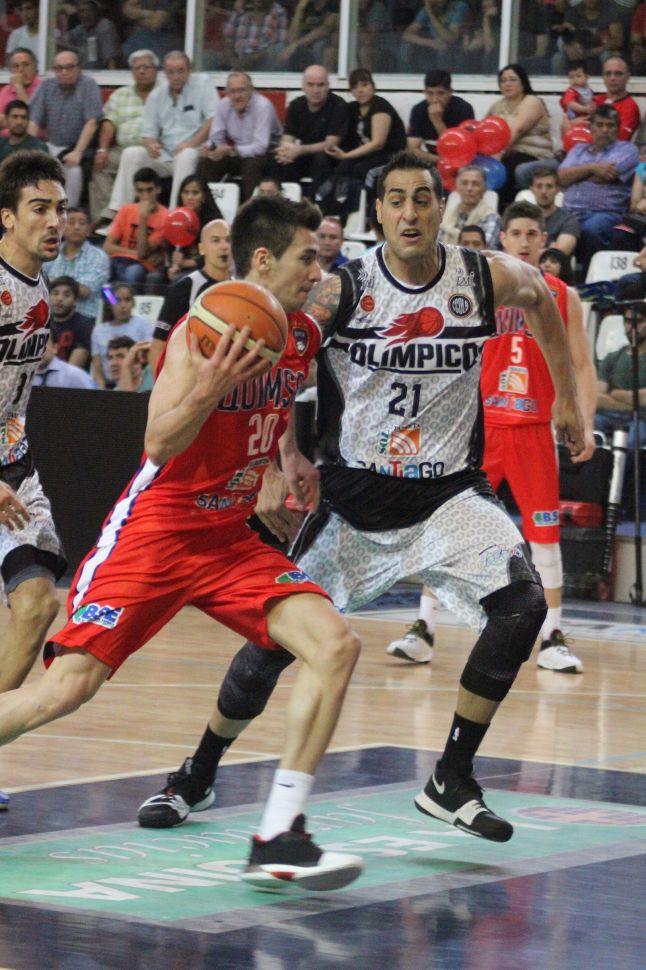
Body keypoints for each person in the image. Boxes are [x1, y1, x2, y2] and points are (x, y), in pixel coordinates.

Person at [137, 152, 585, 844]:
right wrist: (282, 456)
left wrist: (564, 400)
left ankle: (452, 777)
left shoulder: (481, 276)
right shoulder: (341, 291)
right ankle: (196, 771)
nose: (410, 213)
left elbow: (542, 298)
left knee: (524, 606)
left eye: (422, 199)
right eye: (396, 200)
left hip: (448, 498)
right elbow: (282, 360)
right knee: (270, 645)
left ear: (441, 208)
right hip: (353, 500)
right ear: (377, 213)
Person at [1, 194, 364, 893]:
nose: (317, 272)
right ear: (264, 260)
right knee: (64, 691)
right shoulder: (205, 331)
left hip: (229, 540)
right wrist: (211, 387)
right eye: (306, 259)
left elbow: (282, 395)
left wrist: (281, 459)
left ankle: (279, 835)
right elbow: (160, 442)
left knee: (335, 645)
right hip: (157, 533)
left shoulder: (296, 332)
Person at [387, 199, 597, 671]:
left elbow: (582, 365)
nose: (523, 241)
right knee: (449, 527)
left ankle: (553, 637)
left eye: (532, 233)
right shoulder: (478, 287)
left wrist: (585, 421)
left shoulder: (562, 295)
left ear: (544, 240)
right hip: (479, 429)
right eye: (515, 233)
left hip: (534, 431)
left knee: (544, 537)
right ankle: (423, 628)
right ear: (502, 238)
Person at [0, 150, 69, 808]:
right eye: (40, 209)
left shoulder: (41, 289)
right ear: (7, 217)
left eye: (61, 209)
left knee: (39, 605)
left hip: (15, 468)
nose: (55, 221)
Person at [107, 51, 218, 211]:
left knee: (185, 155)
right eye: (171, 72)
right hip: (165, 154)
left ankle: (175, 213)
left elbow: (212, 119)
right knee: (132, 153)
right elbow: (148, 133)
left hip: (196, 149)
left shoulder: (203, 84)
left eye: (180, 71)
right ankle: (120, 211)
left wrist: (190, 144)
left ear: (189, 70)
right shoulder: (157, 95)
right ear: (165, 73)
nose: (176, 77)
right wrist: (151, 144)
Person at [558, 104, 638, 272]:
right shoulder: (578, 150)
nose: (604, 130)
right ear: (591, 127)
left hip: (606, 213)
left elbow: (608, 175)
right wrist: (593, 168)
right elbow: (562, 177)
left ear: (618, 128)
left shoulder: (627, 150)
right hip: (570, 212)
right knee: (551, 224)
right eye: (600, 124)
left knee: (592, 228)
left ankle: (589, 278)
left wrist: (577, 175)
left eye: (610, 125)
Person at [89, 49, 161, 226]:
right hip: (122, 149)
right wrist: (103, 149)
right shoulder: (120, 94)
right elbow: (109, 123)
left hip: (155, 151)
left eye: (146, 67)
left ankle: (120, 218)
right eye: (137, 68)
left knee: (133, 155)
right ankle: (103, 220)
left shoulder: (165, 93)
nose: (142, 71)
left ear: (155, 70)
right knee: (101, 164)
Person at [149, 217, 232, 371]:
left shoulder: (241, 289)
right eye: (216, 240)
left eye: (228, 240)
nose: (224, 246)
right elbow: (157, 348)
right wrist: (165, 385)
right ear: (202, 249)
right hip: (188, 376)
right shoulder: (185, 287)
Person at [322, 69, 406, 220]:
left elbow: (377, 143)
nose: (360, 90)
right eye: (355, 87)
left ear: (373, 86)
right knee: (343, 167)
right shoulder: (352, 108)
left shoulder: (380, 106)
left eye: (364, 85)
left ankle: (366, 217)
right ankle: (337, 212)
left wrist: (346, 155)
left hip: (392, 155)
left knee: (365, 171)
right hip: (370, 156)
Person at [27, 49, 103, 208]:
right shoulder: (47, 86)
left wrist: (78, 152)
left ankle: (69, 211)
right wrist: (27, 150)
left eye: (69, 67)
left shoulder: (88, 85)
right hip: (51, 145)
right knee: (31, 165)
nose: (64, 72)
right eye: (59, 68)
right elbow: (34, 122)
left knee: (73, 170)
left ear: (78, 68)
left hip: (79, 147)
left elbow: (92, 122)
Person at [196, 72, 282, 203]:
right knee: (206, 163)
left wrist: (231, 150)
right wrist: (211, 147)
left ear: (251, 90)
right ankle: (207, 206)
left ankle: (250, 209)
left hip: (269, 154)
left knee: (251, 165)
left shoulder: (263, 106)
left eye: (241, 90)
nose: (237, 96)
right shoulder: (223, 105)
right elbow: (216, 138)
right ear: (227, 92)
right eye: (232, 91)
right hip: (238, 153)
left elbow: (260, 147)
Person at [268, 65, 348, 199]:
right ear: (303, 86)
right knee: (277, 160)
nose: (315, 90)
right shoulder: (296, 105)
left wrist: (299, 150)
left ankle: (317, 205)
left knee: (320, 160)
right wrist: (285, 152)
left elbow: (331, 144)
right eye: (310, 85)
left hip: (331, 157)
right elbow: (287, 138)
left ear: (328, 86)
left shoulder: (338, 105)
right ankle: (282, 203)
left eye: (320, 85)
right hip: (304, 156)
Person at [486, 63, 555, 209]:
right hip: (507, 154)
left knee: (502, 169)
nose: (507, 84)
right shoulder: (496, 106)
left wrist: (499, 154)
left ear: (523, 83)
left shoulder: (532, 101)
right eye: (503, 81)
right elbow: (483, 131)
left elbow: (517, 130)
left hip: (534, 155)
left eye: (512, 80)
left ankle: (500, 213)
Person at [103, 167, 168, 286]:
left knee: (133, 273)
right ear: (135, 191)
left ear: (158, 189)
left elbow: (143, 253)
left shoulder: (165, 216)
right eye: (140, 191)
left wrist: (143, 217)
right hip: (117, 259)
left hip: (141, 265)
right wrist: (132, 252)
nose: (145, 196)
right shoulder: (126, 210)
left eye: (149, 190)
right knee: (102, 270)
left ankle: (127, 298)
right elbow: (107, 246)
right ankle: (110, 298)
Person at [45, 206, 110, 320]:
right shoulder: (50, 252)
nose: (76, 227)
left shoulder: (99, 257)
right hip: (50, 318)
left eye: (82, 223)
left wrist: (52, 284)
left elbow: (84, 291)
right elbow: (39, 285)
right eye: (71, 222)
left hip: (84, 318)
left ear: (89, 229)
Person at [406, 70, 475, 167]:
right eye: (430, 93)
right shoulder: (419, 110)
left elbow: (458, 149)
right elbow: (412, 149)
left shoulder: (463, 109)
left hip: (460, 162)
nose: (435, 99)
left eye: (441, 93)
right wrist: (440, 161)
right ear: (424, 92)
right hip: (432, 160)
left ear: (450, 92)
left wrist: (437, 121)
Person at [91, 282, 153, 388]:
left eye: (127, 300)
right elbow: (97, 368)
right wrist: (102, 390)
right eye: (117, 300)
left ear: (133, 303)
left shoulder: (143, 325)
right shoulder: (98, 330)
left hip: (137, 384)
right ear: (110, 304)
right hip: (109, 386)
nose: (123, 305)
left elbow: (148, 360)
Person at [165, 174, 223, 284]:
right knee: (154, 278)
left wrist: (188, 263)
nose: (189, 197)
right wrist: (174, 265)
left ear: (204, 196)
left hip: (205, 268)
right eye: (186, 192)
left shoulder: (214, 222)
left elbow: (216, 252)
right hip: (180, 266)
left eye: (195, 193)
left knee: (180, 280)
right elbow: (170, 247)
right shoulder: (175, 218)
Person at [439, 164, 501, 249]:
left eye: (475, 184)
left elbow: (484, 250)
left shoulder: (491, 217)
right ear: (457, 188)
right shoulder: (445, 217)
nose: (469, 188)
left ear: (484, 189)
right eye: (464, 183)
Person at [400, 0, 470, 73]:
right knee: (406, 47)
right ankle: (406, 77)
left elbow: (451, 39)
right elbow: (406, 35)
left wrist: (431, 14)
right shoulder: (428, 9)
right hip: (434, 47)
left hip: (456, 50)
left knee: (443, 49)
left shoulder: (459, 6)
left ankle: (441, 78)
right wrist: (430, 43)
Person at [222, 0, 289, 70]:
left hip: (263, 62)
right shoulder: (241, 10)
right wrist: (233, 62)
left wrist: (254, 57)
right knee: (213, 58)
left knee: (279, 48)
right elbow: (227, 39)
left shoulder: (279, 12)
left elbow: (281, 43)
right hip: (237, 60)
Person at [529, 166, 580, 257]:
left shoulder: (568, 220)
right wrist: (549, 248)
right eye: (539, 186)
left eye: (549, 186)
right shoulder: (523, 217)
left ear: (557, 190)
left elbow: (558, 255)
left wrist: (527, 252)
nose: (544, 191)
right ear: (532, 189)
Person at [59, 0, 122, 70]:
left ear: (97, 12)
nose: (85, 15)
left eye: (89, 10)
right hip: (82, 72)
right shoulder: (79, 29)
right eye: (81, 11)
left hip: (101, 73)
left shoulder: (104, 26)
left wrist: (111, 75)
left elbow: (111, 59)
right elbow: (62, 42)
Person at [48, 274, 94, 369]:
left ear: (75, 300)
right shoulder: (41, 322)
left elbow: (73, 368)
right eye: (55, 293)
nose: (59, 299)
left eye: (66, 295)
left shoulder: (84, 325)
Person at [0, 48, 41, 131]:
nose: (21, 69)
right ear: (11, 71)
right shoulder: (6, 90)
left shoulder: (43, 88)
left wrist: (19, 87)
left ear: (35, 67)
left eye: (26, 64)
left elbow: (32, 118)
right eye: (16, 66)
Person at [560, 60, 596, 125]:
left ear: (587, 77)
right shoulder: (571, 91)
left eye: (578, 76)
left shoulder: (589, 90)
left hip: (586, 118)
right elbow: (570, 104)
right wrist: (585, 109)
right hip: (573, 120)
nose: (575, 80)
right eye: (571, 77)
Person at [5, 1, 39, 66]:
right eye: (21, 10)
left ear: (38, 10)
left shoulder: (50, 33)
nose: (25, 13)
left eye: (29, 8)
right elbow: (8, 61)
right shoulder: (16, 34)